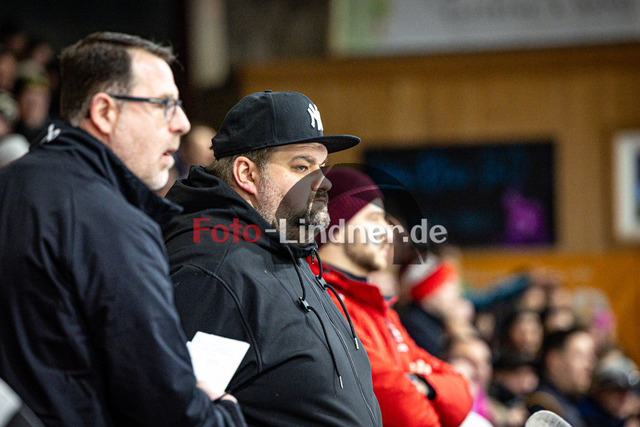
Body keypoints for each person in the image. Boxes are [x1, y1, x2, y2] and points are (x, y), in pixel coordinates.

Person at [0, 32, 245, 426]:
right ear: (105, 112)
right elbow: (166, 407)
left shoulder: (12, 183)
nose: (181, 123)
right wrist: (224, 412)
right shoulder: (110, 221)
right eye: (164, 104)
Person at [163, 91, 383, 426]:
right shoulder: (214, 273)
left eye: (321, 166)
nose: (323, 182)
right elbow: (177, 412)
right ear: (247, 174)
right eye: (302, 166)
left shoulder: (284, 251)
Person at [309, 167, 472, 427]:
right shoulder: (324, 305)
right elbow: (408, 417)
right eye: (375, 219)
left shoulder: (379, 307)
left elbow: (461, 390)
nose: (388, 232)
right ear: (336, 228)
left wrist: (422, 384)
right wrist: (421, 384)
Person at [527, 327, 596, 427]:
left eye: (590, 358)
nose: (588, 366)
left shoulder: (582, 405)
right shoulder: (542, 409)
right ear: (554, 361)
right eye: (579, 356)